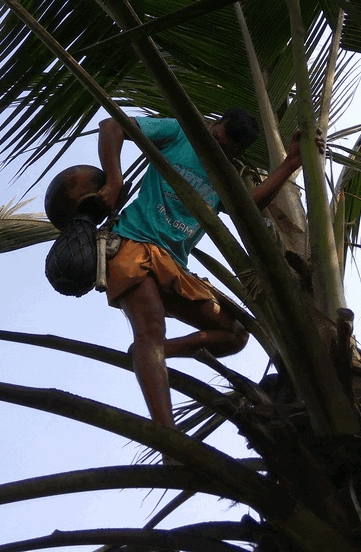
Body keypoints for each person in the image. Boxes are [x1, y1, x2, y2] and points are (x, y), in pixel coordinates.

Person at [96, 109, 322, 432]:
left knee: (235, 333)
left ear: (235, 154)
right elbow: (112, 126)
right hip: (134, 244)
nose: (214, 149)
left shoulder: (222, 174)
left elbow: (247, 206)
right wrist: (114, 179)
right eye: (215, 139)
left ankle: (156, 352)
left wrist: (291, 163)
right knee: (150, 328)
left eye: (225, 149)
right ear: (213, 126)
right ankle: (169, 440)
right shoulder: (178, 132)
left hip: (174, 267)